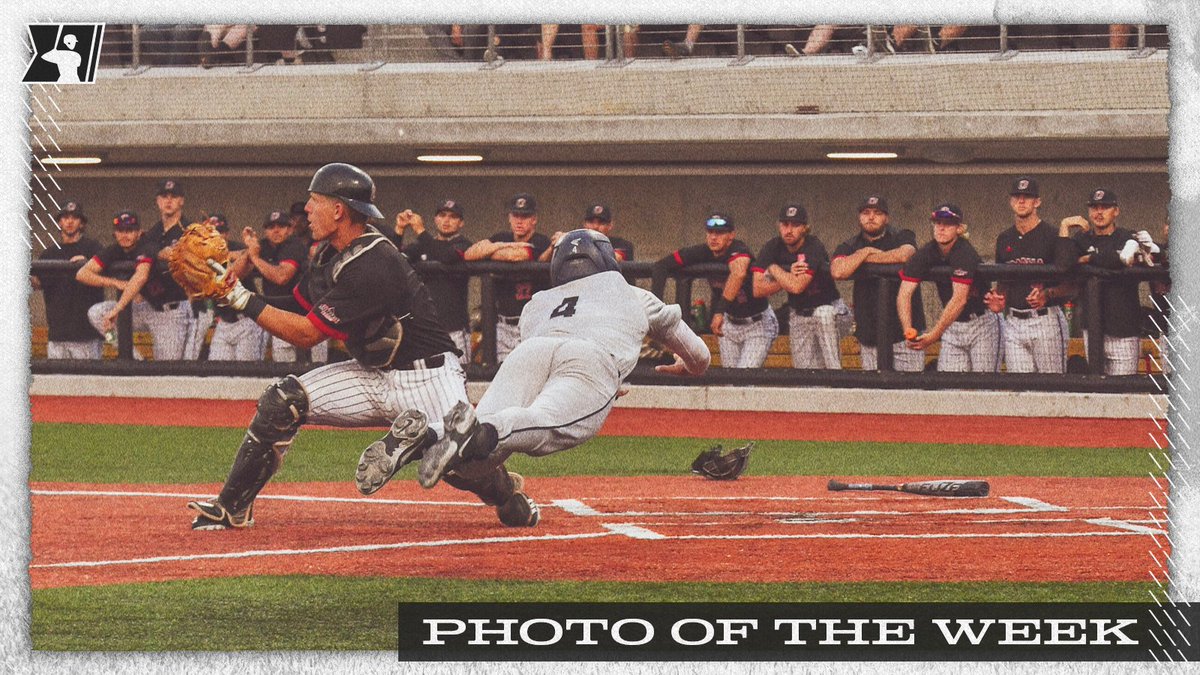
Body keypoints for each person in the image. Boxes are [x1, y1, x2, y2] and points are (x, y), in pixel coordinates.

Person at [187, 163, 469, 530]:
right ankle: (232, 507)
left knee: (466, 466)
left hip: (428, 377)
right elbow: (298, 308)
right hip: (373, 375)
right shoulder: (327, 255)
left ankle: (507, 495)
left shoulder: (374, 261)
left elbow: (306, 334)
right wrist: (233, 291)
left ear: (338, 210)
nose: (306, 209)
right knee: (282, 402)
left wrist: (242, 300)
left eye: (314, 201)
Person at [404, 229, 710, 527]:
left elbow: (547, 362)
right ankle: (478, 433)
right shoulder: (632, 293)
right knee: (544, 423)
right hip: (590, 358)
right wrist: (689, 366)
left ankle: (429, 434)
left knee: (474, 459)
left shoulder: (537, 303)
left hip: (530, 352)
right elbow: (699, 356)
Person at [653, 213, 776, 368]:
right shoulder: (703, 251)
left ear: (731, 235)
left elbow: (738, 274)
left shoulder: (738, 248)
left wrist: (719, 311)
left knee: (745, 375)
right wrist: (656, 306)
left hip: (756, 323)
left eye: (720, 233)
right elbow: (661, 265)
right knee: (729, 377)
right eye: (710, 232)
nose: (713, 237)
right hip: (729, 323)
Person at [897, 203, 1001, 372]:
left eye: (948, 224)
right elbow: (904, 293)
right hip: (952, 326)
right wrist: (907, 328)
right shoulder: (927, 251)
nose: (941, 228)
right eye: (938, 223)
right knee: (950, 383)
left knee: (984, 383)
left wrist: (934, 335)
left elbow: (959, 300)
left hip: (981, 323)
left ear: (959, 228)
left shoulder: (964, 251)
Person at [987, 177, 1076, 374]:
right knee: (1020, 387)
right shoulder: (1004, 238)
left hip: (1045, 320)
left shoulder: (1052, 235)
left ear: (1037, 202)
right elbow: (1003, 282)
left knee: (1051, 386)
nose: (1021, 201)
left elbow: (1072, 284)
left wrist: (1048, 294)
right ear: (1011, 201)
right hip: (1013, 322)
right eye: (1017, 196)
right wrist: (998, 298)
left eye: (1027, 196)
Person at [1069, 188, 1160, 375]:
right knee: (1096, 387)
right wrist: (1065, 226)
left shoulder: (1127, 237)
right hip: (1092, 329)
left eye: (1105, 207)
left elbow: (1146, 259)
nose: (1099, 212)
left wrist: (1089, 258)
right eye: (1094, 208)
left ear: (1116, 211)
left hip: (1124, 329)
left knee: (1123, 388)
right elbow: (1065, 262)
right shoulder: (1081, 239)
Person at [831, 195, 924, 372]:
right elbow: (838, 271)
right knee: (874, 388)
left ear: (886, 218)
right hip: (870, 336)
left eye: (877, 213)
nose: (871, 217)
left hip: (905, 334)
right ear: (859, 217)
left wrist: (861, 259)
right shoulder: (851, 244)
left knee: (909, 388)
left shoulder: (902, 235)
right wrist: (865, 251)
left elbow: (905, 255)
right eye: (866, 213)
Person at [752, 203, 849, 369]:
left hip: (833, 311)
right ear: (779, 226)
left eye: (795, 225)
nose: (789, 230)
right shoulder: (772, 246)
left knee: (824, 314)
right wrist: (787, 273)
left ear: (805, 228)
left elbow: (797, 287)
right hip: (799, 314)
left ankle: (837, 375)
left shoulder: (813, 245)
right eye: (785, 224)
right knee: (806, 375)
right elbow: (757, 289)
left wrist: (774, 269)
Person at [463, 193, 552, 363]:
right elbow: (470, 254)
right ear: (509, 218)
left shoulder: (541, 241)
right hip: (503, 326)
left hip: (531, 325)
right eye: (515, 216)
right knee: (500, 372)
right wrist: (504, 245)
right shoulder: (501, 238)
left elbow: (517, 255)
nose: (519, 221)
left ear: (534, 219)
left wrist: (491, 252)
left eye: (525, 217)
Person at [394, 199, 474, 365]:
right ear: (435, 219)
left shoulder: (464, 244)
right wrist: (399, 230)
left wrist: (420, 230)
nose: (446, 220)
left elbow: (445, 256)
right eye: (442, 215)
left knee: (461, 375)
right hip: (428, 331)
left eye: (453, 217)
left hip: (455, 329)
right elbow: (394, 259)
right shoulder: (423, 245)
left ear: (461, 223)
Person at [142, 178, 208, 360]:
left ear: (181, 201)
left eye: (174, 196)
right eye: (164, 196)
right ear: (158, 201)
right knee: (168, 366)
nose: (169, 201)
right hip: (161, 308)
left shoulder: (191, 230)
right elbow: (145, 252)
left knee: (185, 366)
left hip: (192, 307)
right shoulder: (153, 233)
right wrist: (161, 253)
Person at [76, 210, 156, 358]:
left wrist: (130, 292)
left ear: (139, 232)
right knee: (96, 313)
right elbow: (81, 274)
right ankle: (134, 358)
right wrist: (115, 283)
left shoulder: (148, 245)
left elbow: (141, 276)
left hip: (160, 310)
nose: (124, 235)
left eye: (129, 230)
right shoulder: (114, 250)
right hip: (133, 308)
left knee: (169, 362)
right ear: (115, 233)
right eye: (120, 230)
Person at [32, 200, 103, 359]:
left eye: (75, 217)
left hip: (86, 335)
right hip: (57, 335)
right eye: (65, 218)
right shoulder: (49, 254)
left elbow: (108, 273)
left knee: (88, 375)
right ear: (59, 222)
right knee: (57, 375)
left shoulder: (94, 248)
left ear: (82, 223)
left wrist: (89, 264)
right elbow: (36, 283)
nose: (70, 222)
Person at [241, 209, 311, 363]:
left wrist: (255, 258)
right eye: (271, 227)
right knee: (281, 364)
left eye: (281, 226)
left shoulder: (295, 245)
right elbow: (237, 264)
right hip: (276, 313)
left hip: (300, 315)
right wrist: (249, 247)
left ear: (290, 229)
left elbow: (281, 277)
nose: (276, 230)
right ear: (265, 231)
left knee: (307, 366)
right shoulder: (264, 246)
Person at [204, 213, 264, 361]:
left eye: (220, 232)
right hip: (224, 322)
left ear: (227, 234)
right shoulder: (202, 254)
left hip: (247, 321)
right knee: (217, 370)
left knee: (246, 371)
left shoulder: (238, 248)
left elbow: (245, 261)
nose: (217, 236)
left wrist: (227, 255)